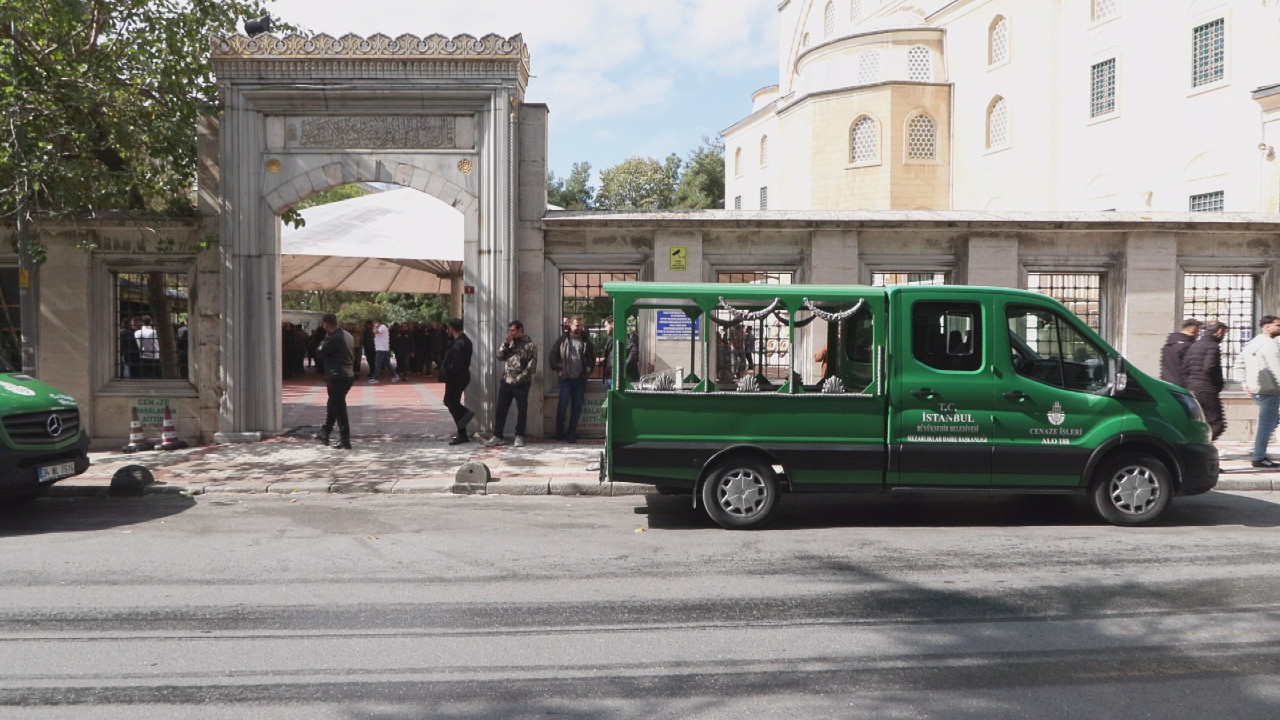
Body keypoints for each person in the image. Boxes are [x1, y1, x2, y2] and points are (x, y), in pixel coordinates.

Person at [485, 320, 538, 448]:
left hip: (521, 383)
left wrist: (519, 379)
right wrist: (505, 344)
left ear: (520, 330)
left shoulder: (530, 345)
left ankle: (519, 435)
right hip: (506, 381)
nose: (510, 333)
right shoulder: (510, 343)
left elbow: (531, 367)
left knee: (522, 410)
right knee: (501, 409)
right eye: (509, 331)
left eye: (513, 330)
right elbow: (499, 356)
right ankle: (497, 435)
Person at [1241, 315, 1280, 468]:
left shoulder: (1252, 343)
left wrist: (1245, 383)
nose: (1279, 328)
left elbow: (1239, 364)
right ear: (1267, 327)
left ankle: (1258, 449)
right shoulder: (1270, 345)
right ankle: (1259, 457)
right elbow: (1276, 369)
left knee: (1271, 421)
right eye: (1277, 325)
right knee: (1266, 424)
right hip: (1270, 390)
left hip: (1257, 389)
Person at [548, 315, 595, 442]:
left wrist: (589, 369)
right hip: (566, 380)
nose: (579, 328)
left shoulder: (586, 340)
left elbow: (592, 357)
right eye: (576, 325)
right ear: (570, 325)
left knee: (576, 407)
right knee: (562, 406)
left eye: (580, 325)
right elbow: (552, 357)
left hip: (580, 379)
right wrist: (559, 369)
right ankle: (559, 433)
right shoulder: (563, 339)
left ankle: (571, 433)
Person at [313, 313, 355, 450]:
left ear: (325, 324)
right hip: (347, 374)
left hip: (337, 375)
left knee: (339, 407)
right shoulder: (347, 335)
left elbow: (319, 353)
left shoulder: (333, 337)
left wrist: (324, 339)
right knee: (333, 404)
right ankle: (325, 432)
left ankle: (345, 439)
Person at [1183, 321, 1229, 441]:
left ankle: (1197, 443)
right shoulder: (1213, 346)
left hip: (1193, 388)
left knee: (1200, 422)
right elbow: (1209, 367)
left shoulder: (1194, 345)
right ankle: (1202, 444)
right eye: (1224, 332)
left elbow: (1185, 368)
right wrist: (1218, 384)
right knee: (1217, 424)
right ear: (1219, 331)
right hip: (1207, 389)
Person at [441, 318, 475, 445]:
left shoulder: (460, 343)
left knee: (451, 402)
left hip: (457, 377)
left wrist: (447, 372)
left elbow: (456, 363)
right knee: (451, 402)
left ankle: (464, 422)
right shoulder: (461, 341)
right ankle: (462, 433)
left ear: (451, 328)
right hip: (457, 376)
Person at [1160, 318, 1203, 387]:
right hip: (1181, 386)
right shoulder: (1188, 347)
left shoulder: (1169, 345)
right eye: (1198, 332)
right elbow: (1188, 370)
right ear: (1193, 330)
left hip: (1166, 384)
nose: (1198, 335)